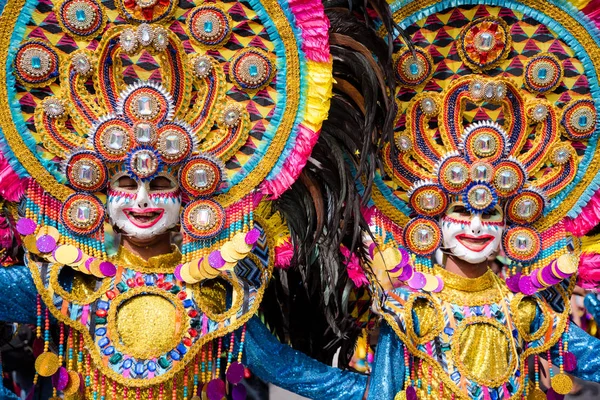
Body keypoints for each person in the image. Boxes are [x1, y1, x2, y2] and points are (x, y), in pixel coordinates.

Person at [235, 0, 600, 399]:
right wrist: (232, 318)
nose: (476, 226)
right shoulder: (416, 311)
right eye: (462, 210)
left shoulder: (527, 311)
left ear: (511, 224)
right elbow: (374, 392)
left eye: (490, 213)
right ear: (435, 223)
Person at [0, 0, 339, 396]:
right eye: (126, 183)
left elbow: (296, 373)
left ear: (189, 200)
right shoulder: (60, 282)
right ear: (101, 194)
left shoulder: (216, 296)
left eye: (160, 185)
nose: (142, 200)